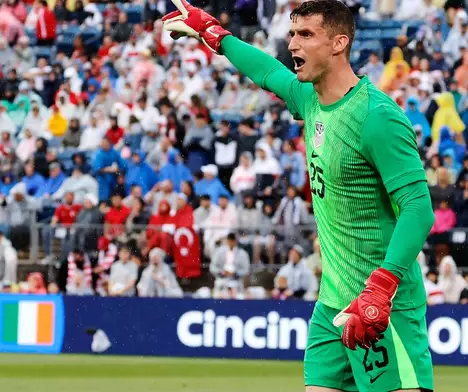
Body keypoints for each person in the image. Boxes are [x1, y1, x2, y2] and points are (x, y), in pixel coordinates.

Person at [163, 1, 435, 390]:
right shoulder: (309, 99)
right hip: (332, 305)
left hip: (380, 307)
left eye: (306, 34)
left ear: (339, 42)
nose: (293, 44)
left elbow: (418, 209)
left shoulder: (378, 116)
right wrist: (215, 35)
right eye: (292, 34)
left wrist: (382, 285)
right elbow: (267, 71)